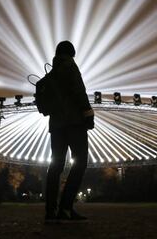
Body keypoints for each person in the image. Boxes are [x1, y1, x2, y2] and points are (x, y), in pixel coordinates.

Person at [45, 40, 94, 222]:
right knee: (80, 161)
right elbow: (79, 91)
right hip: (74, 122)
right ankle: (66, 207)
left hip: (56, 124)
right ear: (71, 52)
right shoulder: (70, 66)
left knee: (56, 165)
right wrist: (88, 113)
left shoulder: (52, 72)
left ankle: (51, 211)